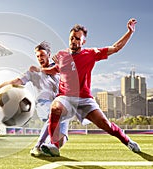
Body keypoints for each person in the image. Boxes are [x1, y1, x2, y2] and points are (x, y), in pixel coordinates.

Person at [40, 18, 141, 156]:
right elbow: (55, 69)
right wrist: (42, 69)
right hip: (65, 97)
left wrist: (129, 32)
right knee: (55, 108)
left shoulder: (91, 53)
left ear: (83, 41)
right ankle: (54, 145)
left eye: (77, 38)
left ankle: (127, 141)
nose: (73, 41)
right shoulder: (62, 55)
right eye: (71, 38)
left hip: (85, 99)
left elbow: (116, 48)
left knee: (106, 125)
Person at [0, 41, 68, 157]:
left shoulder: (59, 69)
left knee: (61, 140)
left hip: (62, 104)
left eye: (42, 55)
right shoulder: (33, 72)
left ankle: (47, 147)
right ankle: (37, 146)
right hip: (45, 103)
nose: (40, 58)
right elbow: (13, 82)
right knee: (54, 114)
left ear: (49, 54)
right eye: (37, 56)